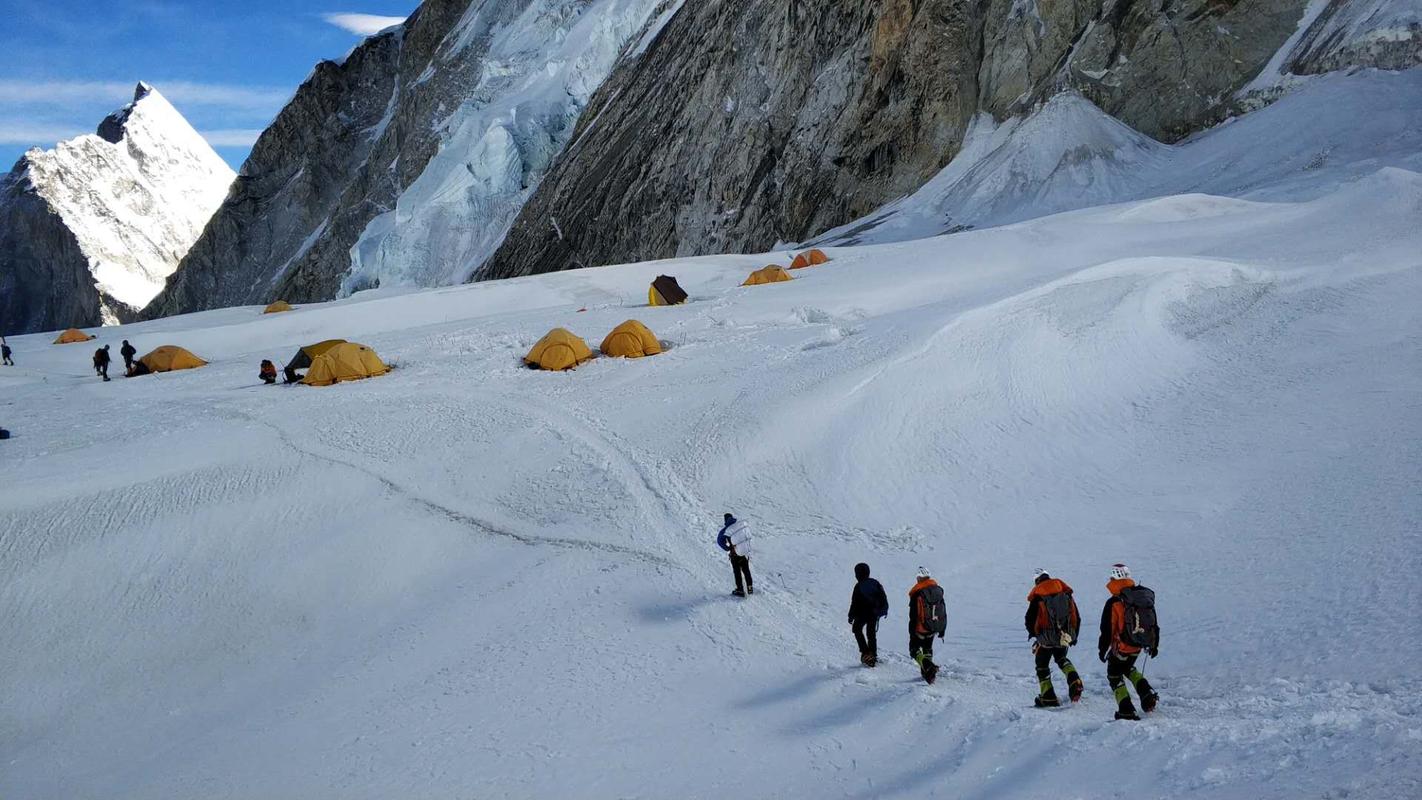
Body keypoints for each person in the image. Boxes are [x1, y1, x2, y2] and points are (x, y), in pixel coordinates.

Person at [1098, 563, 1160, 720]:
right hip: (1138, 645)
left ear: (1114, 578)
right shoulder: (1140, 597)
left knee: (1114, 675)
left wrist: (1102, 649)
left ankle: (1126, 710)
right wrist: (1154, 644)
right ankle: (1147, 695)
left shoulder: (1114, 602)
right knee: (1128, 668)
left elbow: (1107, 629)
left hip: (1121, 647)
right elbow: (1153, 623)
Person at [1025, 568, 1084, 707]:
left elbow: (1029, 619)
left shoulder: (1038, 596)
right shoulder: (1065, 593)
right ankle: (1075, 681)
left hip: (1045, 638)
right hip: (1065, 635)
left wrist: (1035, 635)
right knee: (1062, 659)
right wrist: (1073, 635)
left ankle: (1048, 697)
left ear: (1037, 581)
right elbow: (1076, 616)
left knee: (1042, 664)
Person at [908, 567, 946, 683]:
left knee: (914, 650)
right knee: (927, 648)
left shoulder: (917, 594)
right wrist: (942, 629)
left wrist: (911, 630)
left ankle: (929, 666)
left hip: (920, 628)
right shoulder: (938, 590)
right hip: (934, 626)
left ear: (919, 578)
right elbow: (943, 610)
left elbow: (913, 615)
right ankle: (928, 675)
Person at [847, 563, 889, 666]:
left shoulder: (858, 586)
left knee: (856, 629)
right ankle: (873, 654)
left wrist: (851, 616)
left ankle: (865, 652)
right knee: (871, 634)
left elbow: (854, 602)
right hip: (874, 613)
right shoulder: (875, 582)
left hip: (862, 614)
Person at [716, 513, 753, 597]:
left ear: (725, 520)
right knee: (746, 570)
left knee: (737, 571)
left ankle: (740, 590)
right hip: (744, 552)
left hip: (734, 554)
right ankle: (750, 588)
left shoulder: (726, 529)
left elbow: (719, 541)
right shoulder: (739, 525)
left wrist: (727, 548)